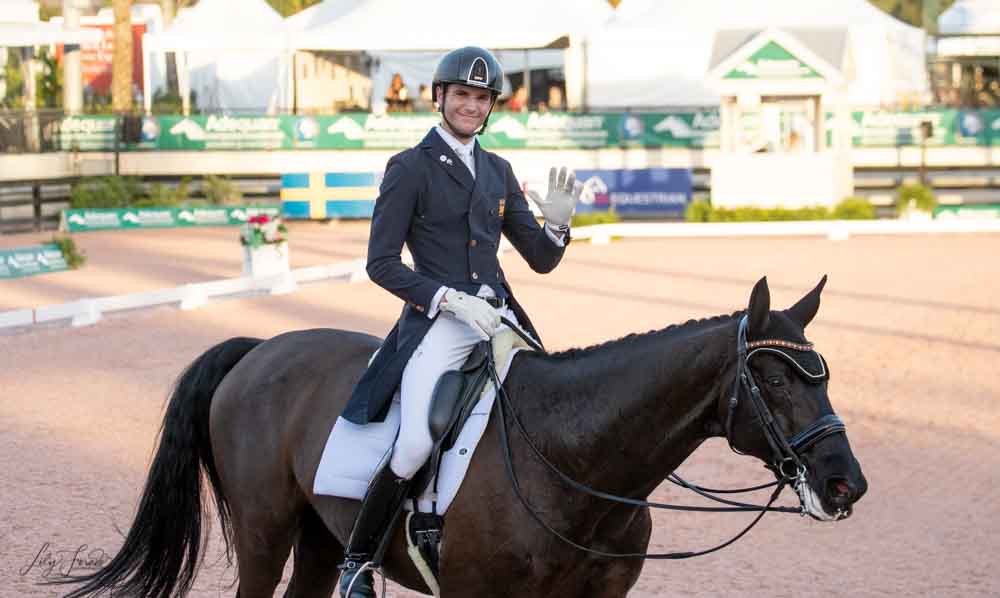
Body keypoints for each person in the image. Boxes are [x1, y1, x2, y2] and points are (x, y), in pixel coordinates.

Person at [337, 46, 580, 598]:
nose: (472, 106)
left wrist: (559, 227)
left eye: (482, 98)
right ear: (440, 97)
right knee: (417, 440)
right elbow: (380, 264)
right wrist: (446, 299)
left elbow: (539, 258)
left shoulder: (498, 170)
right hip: (442, 322)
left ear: (492, 106)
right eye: (463, 95)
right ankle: (357, 560)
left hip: (499, 319)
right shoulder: (411, 166)